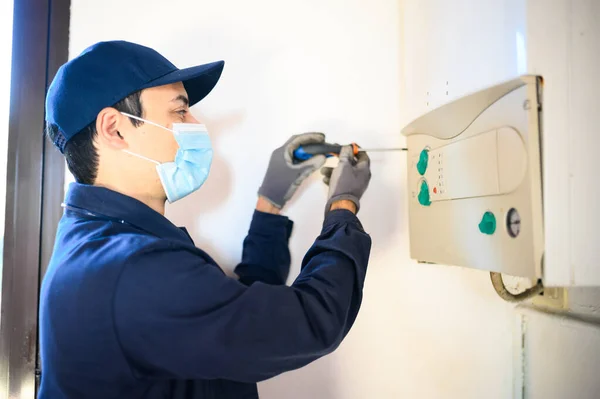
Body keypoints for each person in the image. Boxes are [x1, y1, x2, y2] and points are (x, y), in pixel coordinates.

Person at [39, 40, 372, 399]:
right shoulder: (132, 269)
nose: (196, 123)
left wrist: (270, 204)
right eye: (180, 112)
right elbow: (310, 323)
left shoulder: (100, 242)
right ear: (114, 129)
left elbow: (233, 317)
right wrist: (343, 207)